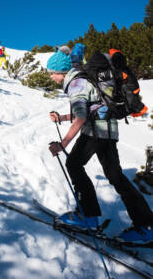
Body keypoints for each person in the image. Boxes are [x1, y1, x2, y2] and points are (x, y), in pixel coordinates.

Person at [46, 45, 153, 243]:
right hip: (109, 131)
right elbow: (90, 108)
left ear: (60, 72)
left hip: (95, 131)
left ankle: (87, 217)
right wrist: (62, 117)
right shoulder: (84, 80)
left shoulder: (76, 84)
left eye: (52, 73)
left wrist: (63, 144)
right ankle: (146, 225)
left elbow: (81, 118)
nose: (51, 77)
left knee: (74, 164)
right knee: (116, 176)